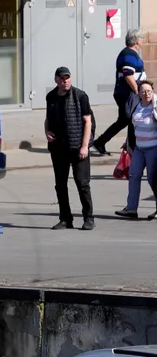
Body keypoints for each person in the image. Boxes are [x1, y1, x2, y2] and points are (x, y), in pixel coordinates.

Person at [45, 66, 95, 230]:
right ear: (56, 80)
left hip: (77, 147)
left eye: (67, 77)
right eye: (62, 78)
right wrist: (46, 131)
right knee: (60, 185)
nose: (65, 80)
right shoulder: (51, 97)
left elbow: (88, 122)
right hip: (58, 148)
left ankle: (89, 218)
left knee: (82, 184)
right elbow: (47, 118)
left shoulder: (80, 96)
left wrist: (85, 147)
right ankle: (65, 218)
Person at [95, 31, 145, 156]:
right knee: (132, 118)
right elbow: (128, 75)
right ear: (136, 40)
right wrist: (137, 91)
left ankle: (101, 142)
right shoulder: (129, 54)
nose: (143, 40)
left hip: (127, 93)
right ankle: (131, 148)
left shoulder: (132, 54)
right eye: (141, 38)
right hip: (128, 93)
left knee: (125, 120)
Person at [117, 79, 157, 220]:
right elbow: (134, 126)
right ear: (138, 93)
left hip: (153, 148)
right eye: (144, 91)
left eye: (149, 91)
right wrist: (128, 141)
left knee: (153, 179)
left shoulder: (155, 106)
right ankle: (131, 208)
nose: (147, 94)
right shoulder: (136, 106)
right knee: (134, 176)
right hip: (139, 148)